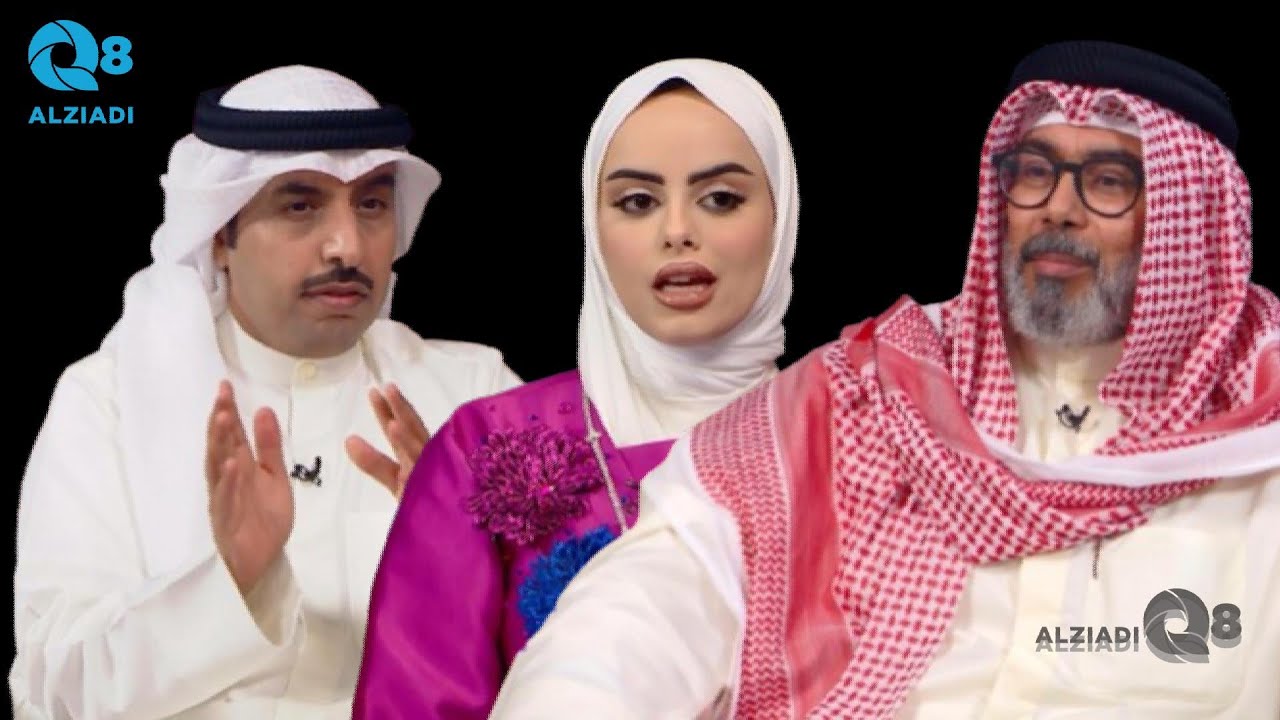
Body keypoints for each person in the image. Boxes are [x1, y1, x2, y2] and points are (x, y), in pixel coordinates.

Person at [488, 41, 1280, 719]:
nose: (1057, 210)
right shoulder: (870, 390)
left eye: (1107, 181)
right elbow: (655, 595)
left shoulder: (1262, 435)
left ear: (1191, 213)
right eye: (1033, 172)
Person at [10, 65, 523, 719]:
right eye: (300, 206)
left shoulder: (476, 396)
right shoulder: (108, 402)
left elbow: (581, 641)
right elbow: (55, 693)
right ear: (219, 235)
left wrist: (470, 556)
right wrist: (233, 581)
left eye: (371, 204)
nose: (347, 246)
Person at [350, 57, 799, 719]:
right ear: (595, 223)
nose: (678, 230)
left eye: (721, 199)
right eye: (638, 202)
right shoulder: (484, 447)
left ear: (782, 216)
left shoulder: (856, 443)